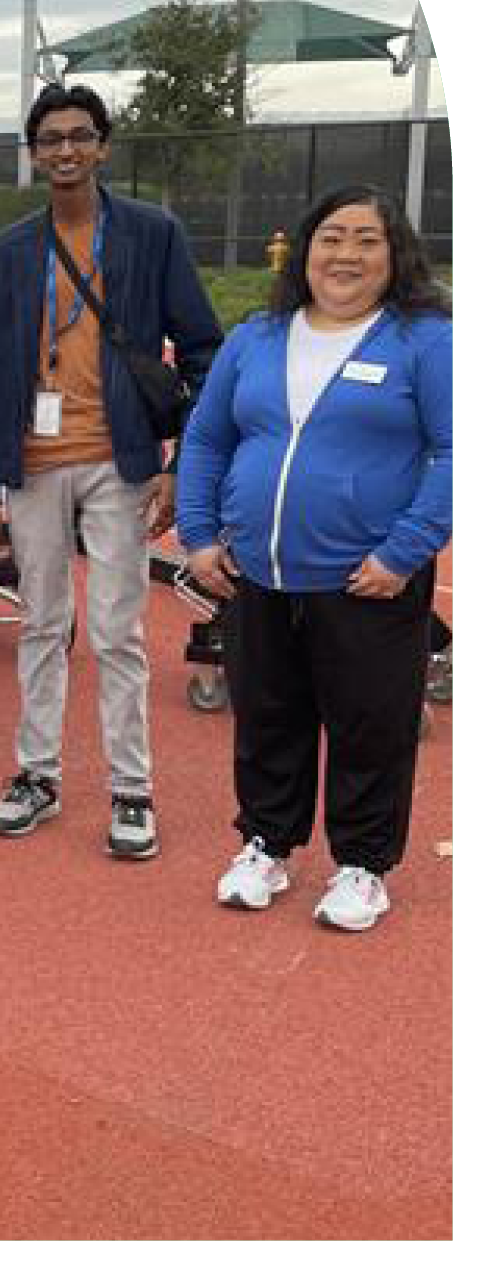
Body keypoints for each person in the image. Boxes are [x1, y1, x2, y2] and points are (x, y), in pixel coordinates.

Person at [175, 185, 450, 931]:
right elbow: (205, 439)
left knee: (369, 723)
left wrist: (403, 551)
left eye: (367, 239)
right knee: (267, 713)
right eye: (331, 236)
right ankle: (265, 844)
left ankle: (362, 865)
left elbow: (457, 451)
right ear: (304, 248)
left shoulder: (424, 340)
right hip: (255, 572)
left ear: (395, 256)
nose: (345, 254)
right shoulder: (257, 337)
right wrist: (198, 536)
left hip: (366, 577)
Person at [0, 84, 223, 860]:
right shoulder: (10, 249)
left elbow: (203, 346)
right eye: (49, 139)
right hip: (34, 463)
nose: (64, 150)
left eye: (79, 136)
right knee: (41, 621)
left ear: (103, 146)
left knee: (117, 629)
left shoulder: (150, 233)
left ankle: (131, 788)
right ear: (34, 151)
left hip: (120, 459)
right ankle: (36, 774)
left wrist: (178, 459)